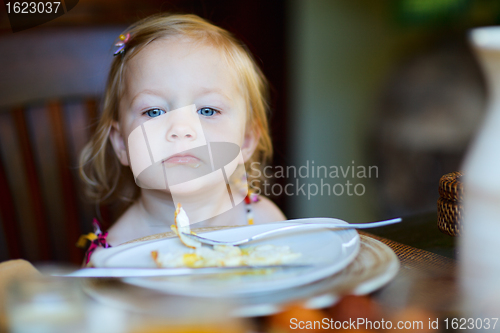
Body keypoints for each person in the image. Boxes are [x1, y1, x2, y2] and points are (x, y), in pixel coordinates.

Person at [78, 13, 285, 261]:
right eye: (154, 112)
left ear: (246, 141)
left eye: (208, 110)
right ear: (122, 143)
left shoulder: (261, 221)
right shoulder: (114, 256)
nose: (181, 128)